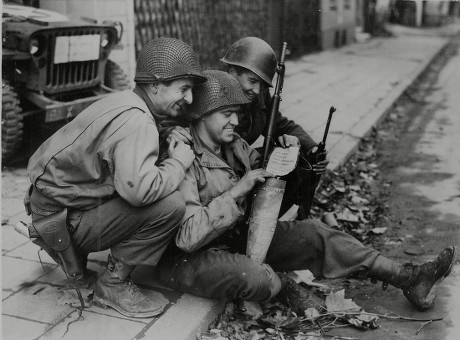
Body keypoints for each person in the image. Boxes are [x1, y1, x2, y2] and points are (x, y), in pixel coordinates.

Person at [156, 69, 456, 312]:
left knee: (316, 234)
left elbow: (260, 178)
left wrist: (285, 153)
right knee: (260, 279)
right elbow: (186, 238)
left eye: (237, 113)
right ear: (201, 115)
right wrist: (236, 193)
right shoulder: (182, 156)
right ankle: (282, 286)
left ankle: (410, 277)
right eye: (226, 115)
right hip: (189, 259)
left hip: (234, 238)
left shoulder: (233, 145)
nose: (236, 121)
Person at [24, 37, 206, 318]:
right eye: (183, 89)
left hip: (48, 210)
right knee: (171, 205)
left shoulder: (125, 100)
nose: (190, 99)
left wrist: (164, 133)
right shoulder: (138, 121)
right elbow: (139, 191)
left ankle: (73, 254)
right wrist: (179, 163)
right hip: (61, 224)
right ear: (155, 84)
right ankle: (113, 284)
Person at [164, 36, 330, 219]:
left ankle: (293, 218)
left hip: (241, 161)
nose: (257, 90)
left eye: (262, 84)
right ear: (233, 71)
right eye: (252, 81)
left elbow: (279, 124)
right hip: (211, 175)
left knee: (305, 160)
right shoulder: (208, 91)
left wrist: (311, 147)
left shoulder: (258, 96)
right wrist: (169, 131)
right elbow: (168, 119)